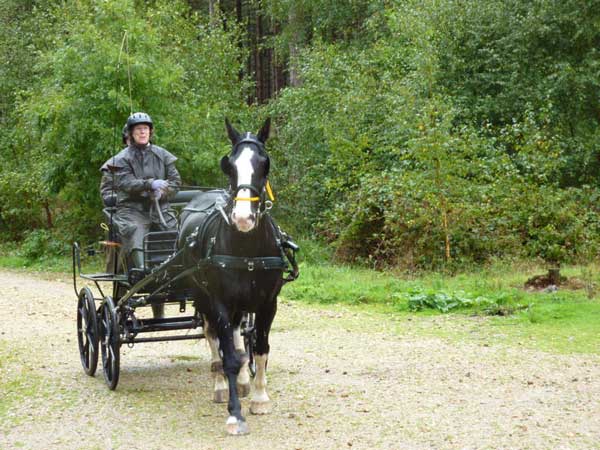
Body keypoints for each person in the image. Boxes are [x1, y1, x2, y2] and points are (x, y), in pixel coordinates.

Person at [110, 113, 181, 319]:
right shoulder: (121, 159)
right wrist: (149, 184)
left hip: (160, 208)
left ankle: (173, 271)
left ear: (150, 131)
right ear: (131, 133)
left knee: (175, 232)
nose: (142, 132)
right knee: (134, 231)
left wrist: (165, 191)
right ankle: (143, 274)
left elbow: (176, 181)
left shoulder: (163, 155)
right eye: (138, 129)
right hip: (132, 210)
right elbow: (125, 183)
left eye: (145, 128)